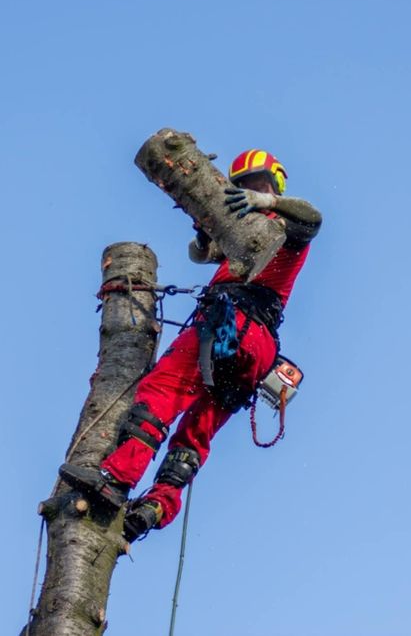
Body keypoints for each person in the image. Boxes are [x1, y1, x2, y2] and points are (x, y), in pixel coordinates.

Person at [59, 149, 322, 542]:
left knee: (162, 391)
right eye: (245, 186)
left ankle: (116, 480)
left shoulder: (287, 229)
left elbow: (313, 217)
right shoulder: (242, 238)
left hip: (229, 325)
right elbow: (200, 253)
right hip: (258, 349)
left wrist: (264, 202)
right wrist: (206, 231)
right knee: (197, 431)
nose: (251, 191)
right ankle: (155, 508)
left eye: (259, 185)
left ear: (275, 186)